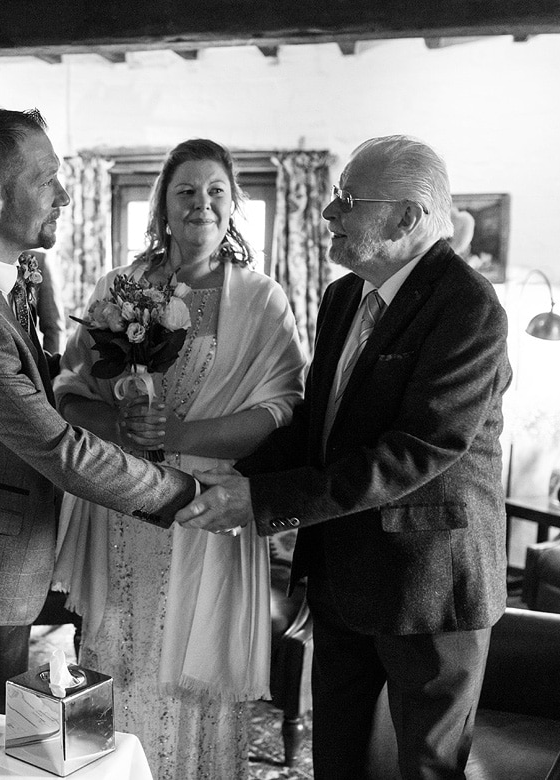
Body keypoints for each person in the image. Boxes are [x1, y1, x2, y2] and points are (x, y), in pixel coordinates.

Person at [180, 135, 512, 779]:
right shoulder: (342, 297)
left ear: (406, 218)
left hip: (429, 585)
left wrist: (265, 502)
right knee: (338, 762)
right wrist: (239, 474)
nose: (328, 215)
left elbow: (416, 451)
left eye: (347, 201)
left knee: (426, 768)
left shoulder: (469, 308)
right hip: (341, 575)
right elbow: (319, 426)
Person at [0, 108, 199, 714]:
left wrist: (80, 377)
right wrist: (185, 493)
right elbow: (60, 450)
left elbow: (14, 375)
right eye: (47, 179)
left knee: (6, 732)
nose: (66, 195)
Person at [51, 139, 305, 780]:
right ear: (163, 204)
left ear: (233, 205)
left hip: (207, 511)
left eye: (216, 191)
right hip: (124, 505)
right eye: (186, 191)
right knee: (119, 651)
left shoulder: (262, 300)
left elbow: (280, 411)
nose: (202, 204)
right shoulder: (120, 290)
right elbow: (69, 393)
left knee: (192, 664)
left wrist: (180, 431)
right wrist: (121, 423)